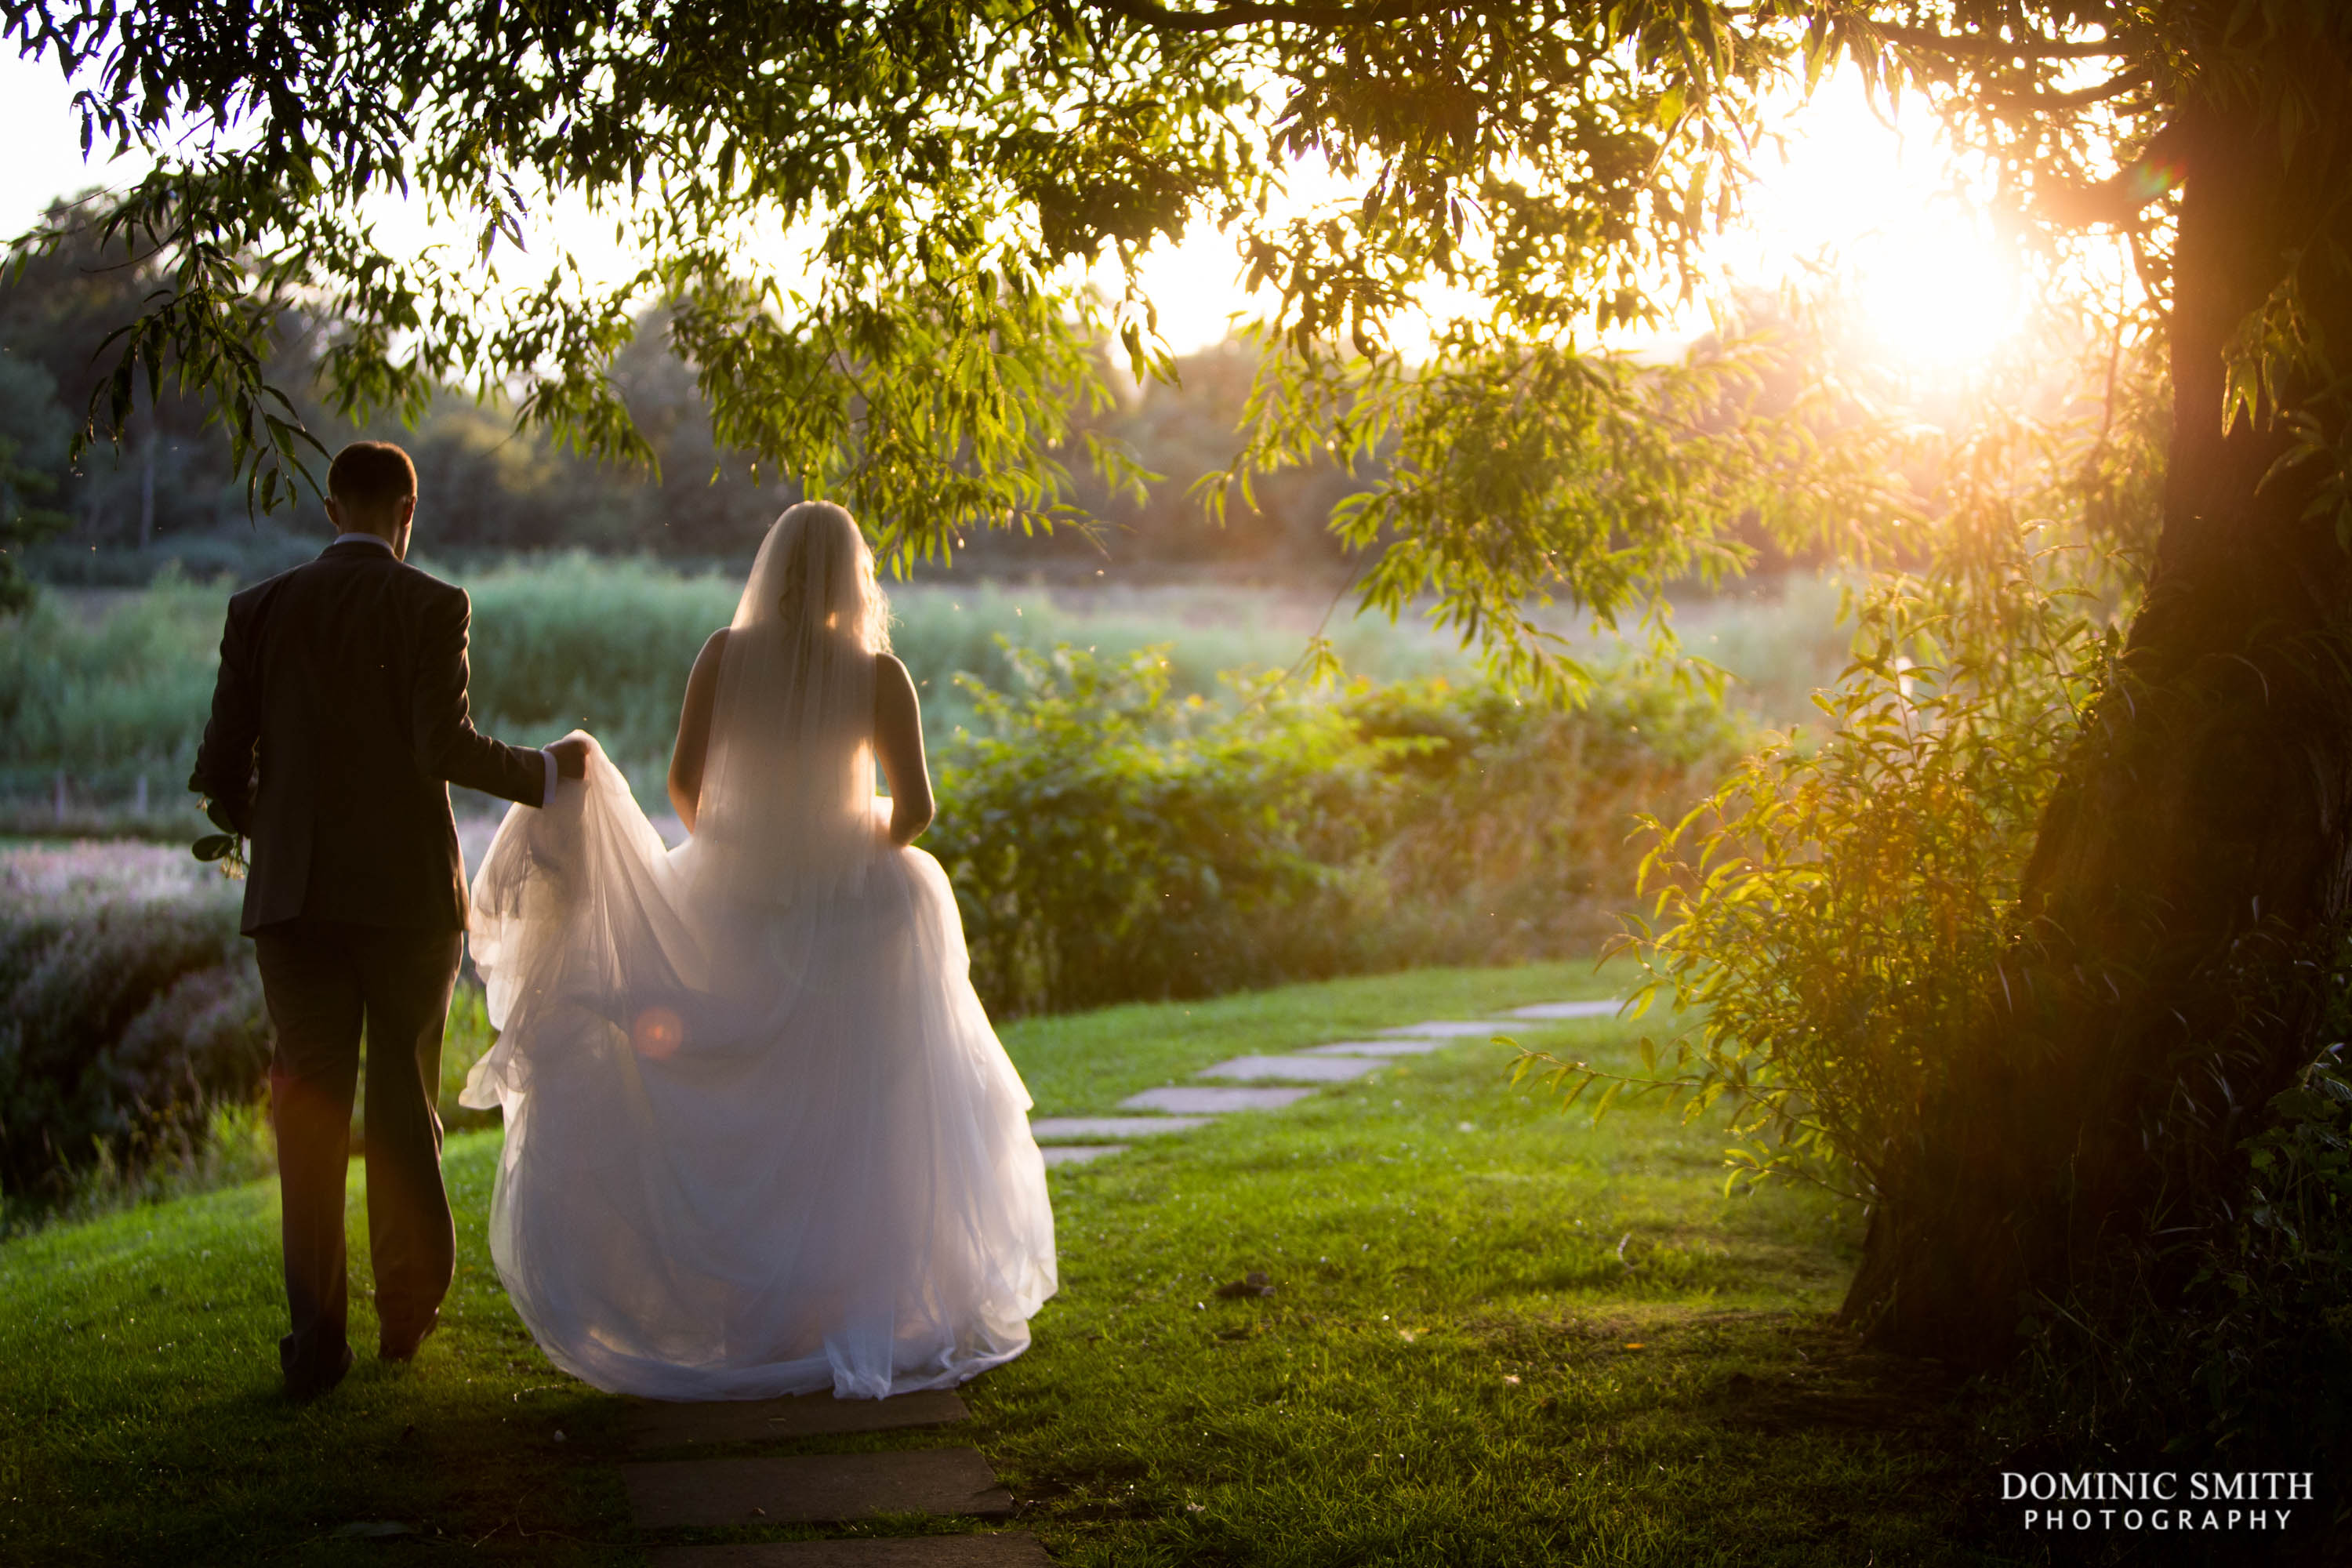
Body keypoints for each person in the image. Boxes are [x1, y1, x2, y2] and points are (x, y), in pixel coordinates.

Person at [459, 500, 1055, 1400]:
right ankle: (846, 1298)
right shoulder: (879, 674)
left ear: (772, 571)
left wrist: (738, 850)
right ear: (854, 575)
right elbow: (919, 810)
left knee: (750, 1100)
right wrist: (848, 843)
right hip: (857, 911)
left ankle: (748, 1307)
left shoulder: (723, 656)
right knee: (852, 1110)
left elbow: (684, 785)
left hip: (733, 894)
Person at [191, 440, 590, 1402]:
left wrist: (272, 831)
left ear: (333, 510)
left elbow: (216, 774)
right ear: (408, 513)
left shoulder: (258, 609)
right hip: (409, 899)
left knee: (309, 1111)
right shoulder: (432, 604)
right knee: (403, 1099)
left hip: (293, 905)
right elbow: (439, 744)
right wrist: (546, 772)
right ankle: (405, 1312)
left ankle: (315, 1340)